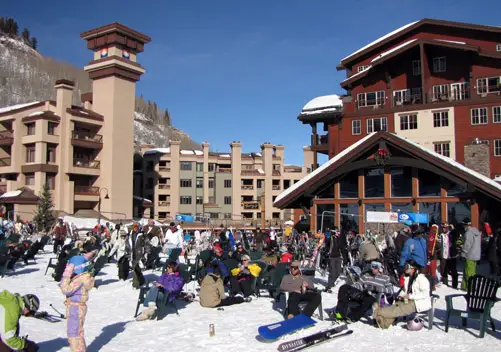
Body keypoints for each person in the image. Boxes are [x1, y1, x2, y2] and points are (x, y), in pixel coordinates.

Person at [373, 260, 430, 329]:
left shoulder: (421, 279)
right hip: (408, 300)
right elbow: (405, 291)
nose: (405, 268)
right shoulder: (408, 278)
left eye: (407, 266)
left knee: (398, 310)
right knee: (396, 305)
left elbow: (425, 294)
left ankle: (377, 311)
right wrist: (401, 296)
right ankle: (384, 323)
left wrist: (410, 296)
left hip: (418, 303)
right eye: (405, 266)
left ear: (413, 269)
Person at [59, 250, 97, 351]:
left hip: (75, 308)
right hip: (77, 307)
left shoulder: (79, 279)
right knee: (77, 332)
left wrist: (66, 275)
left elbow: (65, 289)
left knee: (74, 334)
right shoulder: (83, 277)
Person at [460, 219, 481, 291]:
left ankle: (470, 287)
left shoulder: (468, 233)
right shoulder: (476, 232)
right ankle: (465, 286)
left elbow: (467, 244)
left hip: (470, 255)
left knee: (468, 272)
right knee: (472, 271)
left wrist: (463, 252)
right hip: (476, 255)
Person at [439, 223, 459, 289]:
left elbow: (457, 234)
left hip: (451, 255)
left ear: (448, 228)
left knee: (453, 271)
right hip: (444, 255)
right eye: (443, 227)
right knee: (443, 270)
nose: (444, 229)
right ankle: (445, 283)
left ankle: (455, 285)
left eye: (445, 227)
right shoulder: (441, 235)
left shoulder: (451, 234)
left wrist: (453, 228)